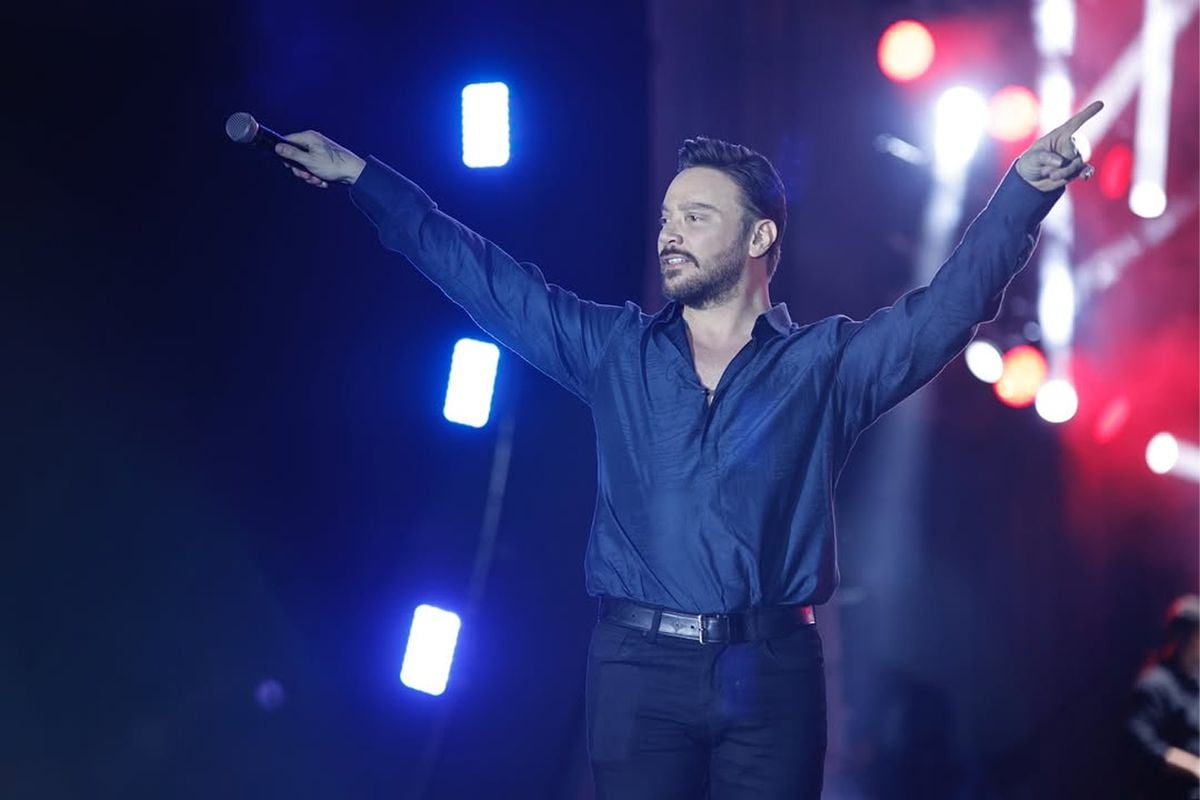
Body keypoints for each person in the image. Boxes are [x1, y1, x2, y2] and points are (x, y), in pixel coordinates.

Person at [272, 100, 1103, 798]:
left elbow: (947, 310)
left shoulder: (825, 367)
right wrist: (365, 181)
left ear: (758, 237)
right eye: (668, 218)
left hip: (773, 671)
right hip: (637, 669)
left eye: (696, 217)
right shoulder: (615, 350)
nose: (670, 233)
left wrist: (1023, 194)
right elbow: (484, 277)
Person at [1126, 594, 1200, 800]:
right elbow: (1141, 745)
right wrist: (1193, 765)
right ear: (1184, 637)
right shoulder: (1154, 685)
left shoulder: (1196, 681)